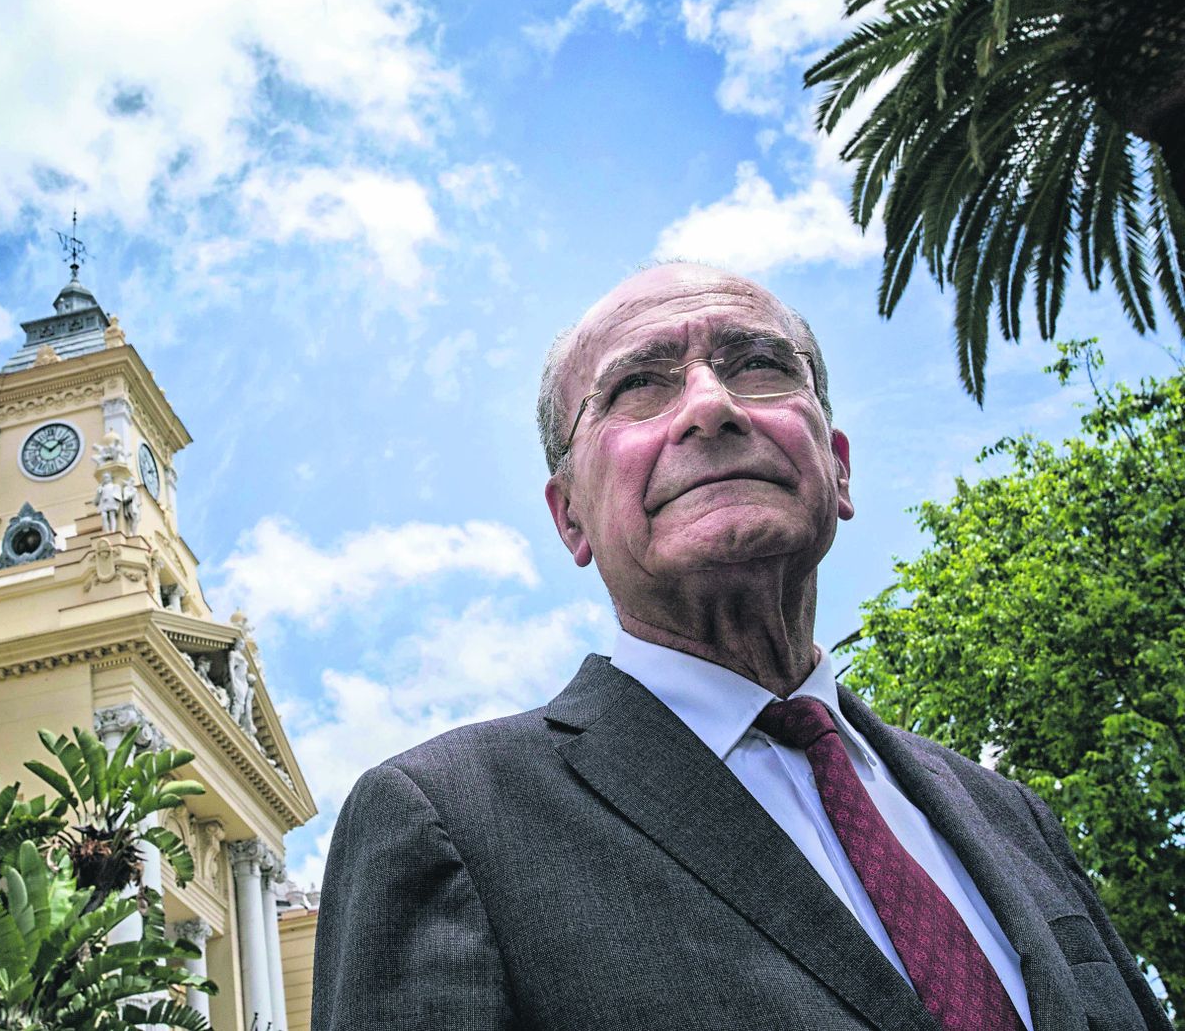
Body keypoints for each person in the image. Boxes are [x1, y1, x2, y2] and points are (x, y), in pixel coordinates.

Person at [312, 263, 1168, 1030]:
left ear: (838, 467)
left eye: (757, 365)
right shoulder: (446, 820)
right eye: (637, 386)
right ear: (569, 515)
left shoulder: (1009, 814)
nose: (710, 407)